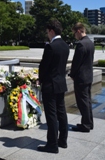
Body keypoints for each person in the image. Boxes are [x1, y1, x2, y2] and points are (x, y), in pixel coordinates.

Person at [38, 19, 70, 153]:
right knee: (61, 113)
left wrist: (40, 79)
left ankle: (52, 144)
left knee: (51, 115)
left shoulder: (50, 46)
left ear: (51, 31)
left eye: (47, 32)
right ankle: (62, 140)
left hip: (50, 85)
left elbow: (44, 66)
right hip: (60, 83)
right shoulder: (65, 45)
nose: (47, 34)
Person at [69, 22, 95, 133]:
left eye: (75, 33)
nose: (75, 36)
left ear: (79, 31)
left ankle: (85, 125)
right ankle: (89, 123)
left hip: (81, 77)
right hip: (89, 76)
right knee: (87, 100)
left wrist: (72, 74)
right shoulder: (90, 43)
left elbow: (76, 63)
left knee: (82, 102)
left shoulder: (81, 44)